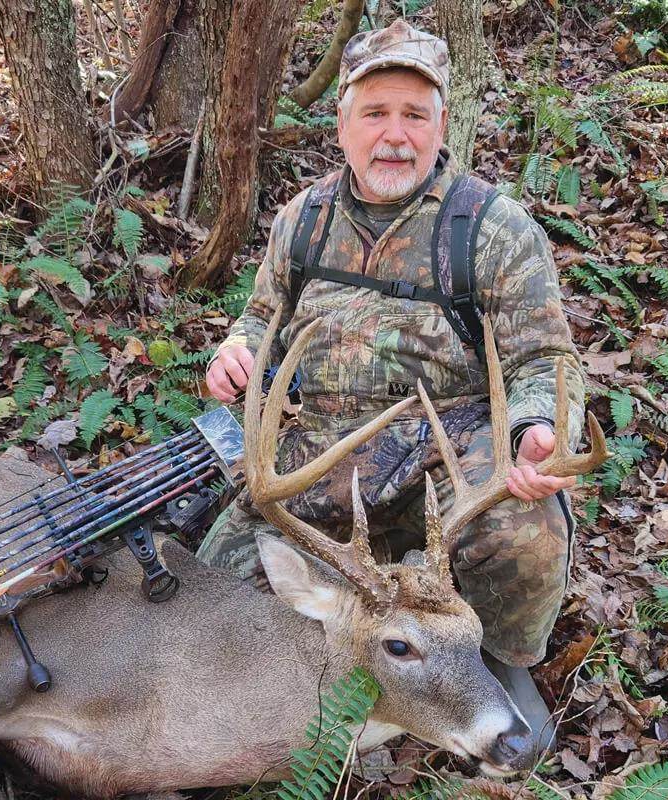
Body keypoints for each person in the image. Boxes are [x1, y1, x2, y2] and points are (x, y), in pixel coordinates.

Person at [200, 19, 585, 752]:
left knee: (524, 532)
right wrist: (236, 351)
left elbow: (548, 360)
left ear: (443, 124)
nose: (395, 136)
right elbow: (260, 317)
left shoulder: (492, 228)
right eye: (376, 114)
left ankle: (499, 659)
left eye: (415, 115)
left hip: (451, 448)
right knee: (216, 586)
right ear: (343, 123)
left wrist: (535, 429)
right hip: (324, 450)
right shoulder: (303, 221)